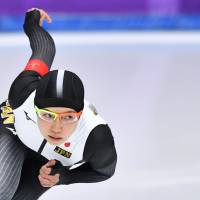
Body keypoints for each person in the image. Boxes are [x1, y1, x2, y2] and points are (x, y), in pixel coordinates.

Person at [0, 8, 117, 200]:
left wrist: (65, 177)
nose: (56, 127)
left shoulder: (96, 138)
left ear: (80, 115)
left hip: (46, 163)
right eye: (47, 115)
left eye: (68, 117)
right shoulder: (23, 91)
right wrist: (33, 18)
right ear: (34, 108)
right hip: (13, 134)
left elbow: (104, 171)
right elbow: (44, 49)